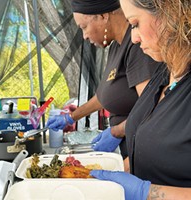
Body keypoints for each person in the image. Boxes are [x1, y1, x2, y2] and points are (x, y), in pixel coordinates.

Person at [90, 0, 191, 199]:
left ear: (171, 13)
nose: (134, 38)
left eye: (135, 24)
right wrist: (117, 171)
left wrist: (148, 193)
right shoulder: (164, 72)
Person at [46, 0, 164, 165]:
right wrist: (71, 118)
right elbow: (105, 96)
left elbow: (153, 108)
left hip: (144, 152)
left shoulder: (138, 47)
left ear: (102, 16)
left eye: (84, 27)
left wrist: (117, 132)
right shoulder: (116, 46)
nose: (85, 36)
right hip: (129, 148)